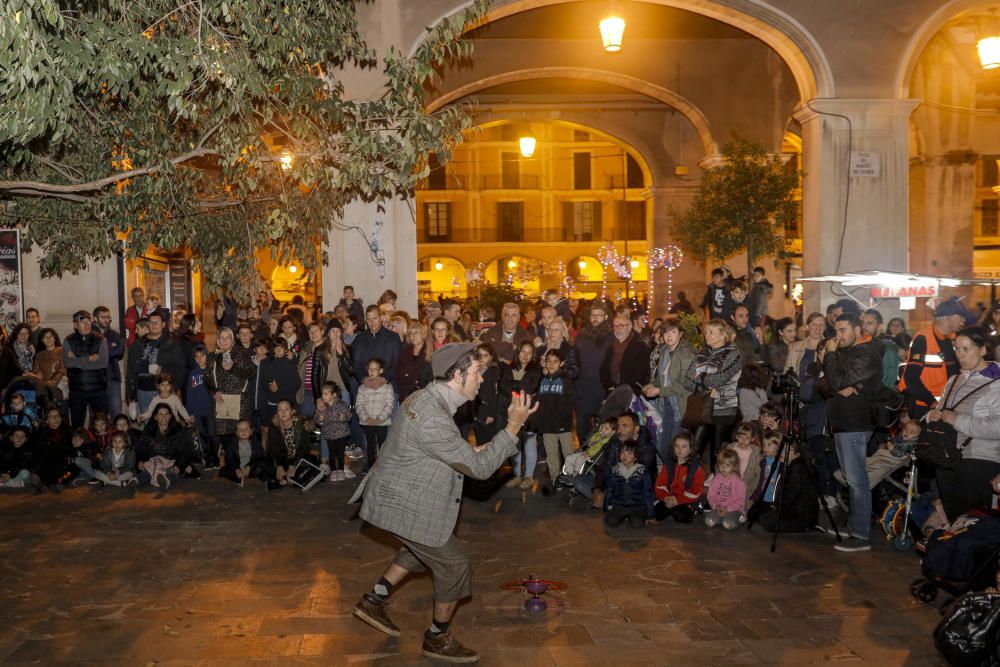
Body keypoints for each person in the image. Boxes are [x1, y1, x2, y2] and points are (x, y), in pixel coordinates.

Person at [350, 343, 537, 664]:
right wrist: (513, 427)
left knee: (421, 548)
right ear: (458, 374)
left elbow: (456, 453)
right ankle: (437, 637)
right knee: (453, 564)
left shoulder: (427, 398)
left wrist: (495, 444)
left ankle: (374, 600)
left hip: (400, 492)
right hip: (402, 501)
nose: (482, 379)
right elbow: (478, 468)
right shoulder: (432, 416)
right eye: (477, 372)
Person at [927, 326, 1000, 521]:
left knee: (969, 521)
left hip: (979, 459)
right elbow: (941, 409)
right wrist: (932, 415)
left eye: (966, 349)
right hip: (946, 456)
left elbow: (998, 427)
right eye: (957, 349)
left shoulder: (996, 383)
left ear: (983, 350)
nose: (959, 354)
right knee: (953, 520)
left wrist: (957, 420)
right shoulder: (954, 380)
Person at [824, 312, 882, 553]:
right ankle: (854, 525)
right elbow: (826, 383)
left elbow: (837, 380)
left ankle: (861, 534)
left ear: (857, 329)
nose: (838, 336)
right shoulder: (846, 353)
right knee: (850, 478)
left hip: (855, 424)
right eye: (836, 331)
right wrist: (837, 385)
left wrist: (829, 357)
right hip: (842, 422)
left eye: (843, 330)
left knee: (857, 481)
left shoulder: (867, 353)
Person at [684, 319, 742, 470]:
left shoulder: (733, 354)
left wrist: (700, 378)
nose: (707, 335)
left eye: (711, 332)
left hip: (723, 406)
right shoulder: (702, 354)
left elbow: (720, 379)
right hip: (703, 406)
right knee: (695, 447)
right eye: (706, 332)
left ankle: (717, 479)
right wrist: (706, 383)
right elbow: (687, 381)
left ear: (723, 335)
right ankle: (692, 478)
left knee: (718, 451)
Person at [900, 298, 965, 418]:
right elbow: (911, 377)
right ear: (948, 317)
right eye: (960, 317)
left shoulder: (952, 339)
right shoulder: (923, 339)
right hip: (924, 407)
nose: (963, 321)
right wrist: (932, 402)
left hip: (944, 406)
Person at [642, 318, 695, 465]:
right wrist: (650, 385)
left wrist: (659, 391)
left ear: (680, 334)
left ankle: (680, 474)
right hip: (666, 404)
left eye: (673, 332)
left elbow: (686, 385)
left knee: (676, 448)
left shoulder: (686, 354)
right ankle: (671, 473)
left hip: (681, 405)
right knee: (661, 445)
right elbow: (661, 378)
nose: (669, 335)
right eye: (666, 332)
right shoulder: (664, 350)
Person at [125, 310, 186, 415]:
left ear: (163, 325)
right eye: (151, 322)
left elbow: (181, 368)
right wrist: (130, 397)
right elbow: (131, 370)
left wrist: (174, 388)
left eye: (157, 322)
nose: (154, 325)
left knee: (165, 422)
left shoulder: (172, 343)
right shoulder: (138, 344)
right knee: (146, 422)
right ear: (147, 325)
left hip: (164, 391)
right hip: (142, 391)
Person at [534, 348, 575, 487]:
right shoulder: (543, 381)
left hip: (563, 425)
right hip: (547, 425)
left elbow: (570, 403)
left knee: (568, 454)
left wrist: (563, 421)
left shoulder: (565, 380)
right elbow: (538, 402)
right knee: (551, 456)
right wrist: (538, 421)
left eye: (555, 361)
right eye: (548, 361)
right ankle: (555, 480)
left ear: (561, 363)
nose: (551, 364)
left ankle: (571, 480)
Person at [574, 303, 613, 443]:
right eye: (593, 315)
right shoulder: (581, 336)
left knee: (603, 429)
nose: (595, 318)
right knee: (582, 428)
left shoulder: (611, 337)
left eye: (599, 315)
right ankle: (584, 453)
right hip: (583, 388)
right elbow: (575, 360)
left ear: (606, 317)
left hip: (602, 389)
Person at [63, 310, 109, 426]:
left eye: (89, 322)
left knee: (102, 424)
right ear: (75, 325)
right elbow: (68, 363)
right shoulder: (68, 340)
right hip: (77, 390)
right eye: (83, 322)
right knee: (77, 426)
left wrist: (77, 360)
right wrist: (90, 358)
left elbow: (103, 363)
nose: (87, 325)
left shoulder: (100, 339)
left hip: (98, 389)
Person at [507, 340, 542, 489]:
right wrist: (517, 387)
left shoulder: (536, 370)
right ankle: (516, 475)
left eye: (529, 353)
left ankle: (528, 476)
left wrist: (514, 386)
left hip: (529, 413)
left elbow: (529, 388)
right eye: (523, 351)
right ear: (518, 352)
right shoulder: (509, 368)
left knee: (529, 446)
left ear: (533, 356)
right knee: (514, 446)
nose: (525, 355)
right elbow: (504, 387)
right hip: (512, 412)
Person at [264, 399, 317, 489]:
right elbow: (272, 449)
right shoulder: (274, 428)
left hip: (298, 460)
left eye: (286, 409)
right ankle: (288, 478)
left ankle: (285, 480)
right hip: (283, 461)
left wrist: (293, 466)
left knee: (310, 460)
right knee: (263, 463)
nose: (283, 413)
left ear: (293, 411)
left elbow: (304, 449)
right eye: (280, 410)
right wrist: (279, 466)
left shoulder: (303, 426)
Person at [653, 431, 705, 523]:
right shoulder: (669, 464)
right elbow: (660, 484)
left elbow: (696, 491)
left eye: (684, 446)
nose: (679, 449)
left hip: (685, 499)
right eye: (677, 446)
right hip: (669, 496)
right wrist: (665, 498)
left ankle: (693, 508)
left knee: (683, 517)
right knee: (655, 515)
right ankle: (671, 509)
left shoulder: (696, 468)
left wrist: (677, 500)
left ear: (691, 449)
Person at [603, 440, 656, 528]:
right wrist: (607, 507)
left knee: (637, 524)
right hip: (619, 505)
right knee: (610, 521)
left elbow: (648, 493)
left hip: (637, 506)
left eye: (629, 453)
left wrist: (650, 515)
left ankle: (636, 517)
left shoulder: (643, 472)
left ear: (636, 457)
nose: (624, 456)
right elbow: (609, 490)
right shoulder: (614, 471)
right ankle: (622, 516)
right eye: (622, 452)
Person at [356, 357, 395, 473]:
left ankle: (383, 466)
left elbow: (389, 404)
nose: (372, 371)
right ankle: (370, 465)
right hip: (367, 422)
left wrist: (380, 418)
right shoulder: (362, 387)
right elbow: (359, 404)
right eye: (370, 369)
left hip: (382, 422)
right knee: (370, 445)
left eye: (375, 369)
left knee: (382, 444)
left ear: (381, 370)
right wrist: (366, 418)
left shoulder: (387, 386)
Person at [352, 305, 402, 389]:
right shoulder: (359, 339)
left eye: (374, 318)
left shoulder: (393, 338)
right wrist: (364, 379)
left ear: (380, 318)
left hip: (388, 385)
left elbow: (397, 363)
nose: (372, 322)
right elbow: (356, 364)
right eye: (369, 319)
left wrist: (384, 379)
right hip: (365, 386)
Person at [600, 313, 651, 392]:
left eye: (621, 325)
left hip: (630, 392)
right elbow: (604, 370)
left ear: (629, 327)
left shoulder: (640, 347)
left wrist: (619, 387)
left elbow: (640, 373)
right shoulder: (611, 347)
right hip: (611, 391)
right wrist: (609, 385)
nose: (618, 329)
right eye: (615, 326)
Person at [315, 382, 353, 481]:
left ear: (334, 394)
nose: (323, 396)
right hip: (329, 434)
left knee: (340, 454)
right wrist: (320, 419)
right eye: (322, 394)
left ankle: (340, 470)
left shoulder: (341, 405)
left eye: (326, 394)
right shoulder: (322, 407)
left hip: (341, 434)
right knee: (331, 454)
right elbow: (316, 418)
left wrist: (344, 417)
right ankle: (333, 470)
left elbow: (349, 415)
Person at [93, 306, 125, 417]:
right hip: (95, 380)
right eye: (103, 317)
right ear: (95, 318)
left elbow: (120, 351)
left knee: (116, 412)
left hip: (113, 378)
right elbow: (90, 353)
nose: (106, 320)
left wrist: (101, 352)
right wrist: (110, 347)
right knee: (98, 416)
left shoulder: (114, 334)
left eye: (108, 317)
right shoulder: (89, 335)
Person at [704, 448, 747, 530]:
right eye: (721, 464)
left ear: (734, 466)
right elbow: (711, 496)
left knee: (728, 525)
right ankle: (722, 518)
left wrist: (727, 509)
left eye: (727, 465)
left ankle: (740, 516)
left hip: (733, 509)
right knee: (709, 522)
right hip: (718, 508)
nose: (723, 468)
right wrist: (716, 506)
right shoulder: (716, 479)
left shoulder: (739, 482)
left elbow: (740, 500)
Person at [861, 308, 900, 389]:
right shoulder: (861, 345)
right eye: (862, 323)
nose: (864, 326)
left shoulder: (887, 347)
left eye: (869, 323)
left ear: (879, 326)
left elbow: (887, 379)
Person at [219, 419, 267, 486]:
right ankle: (240, 479)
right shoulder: (232, 442)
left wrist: (249, 467)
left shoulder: (255, 441)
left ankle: (247, 478)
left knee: (261, 467)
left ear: (251, 431)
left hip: (251, 469)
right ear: (236, 432)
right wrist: (236, 469)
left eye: (246, 429)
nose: (243, 431)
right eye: (240, 429)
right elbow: (230, 459)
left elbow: (259, 457)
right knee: (223, 471)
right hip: (238, 468)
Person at [395, 322, 433, 401]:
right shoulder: (405, 351)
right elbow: (398, 372)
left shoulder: (429, 350)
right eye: (411, 333)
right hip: (406, 393)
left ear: (423, 334)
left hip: (424, 394)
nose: (413, 335)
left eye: (416, 332)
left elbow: (430, 375)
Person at [27, 328, 65, 402]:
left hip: (59, 386)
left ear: (55, 338)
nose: (48, 339)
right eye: (45, 337)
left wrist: (53, 382)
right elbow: (35, 372)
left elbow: (63, 369)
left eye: (51, 336)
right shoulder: (39, 355)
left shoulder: (62, 351)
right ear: (42, 340)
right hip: (43, 386)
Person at [296, 322, 325, 418]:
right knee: (306, 418)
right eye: (310, 332)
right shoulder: (305, 350)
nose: (313, 334)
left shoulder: (328, 349)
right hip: (307, 390)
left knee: (323, 418)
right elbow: (300, 369)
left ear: (322, 332)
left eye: (316, 331)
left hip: (323, 391)